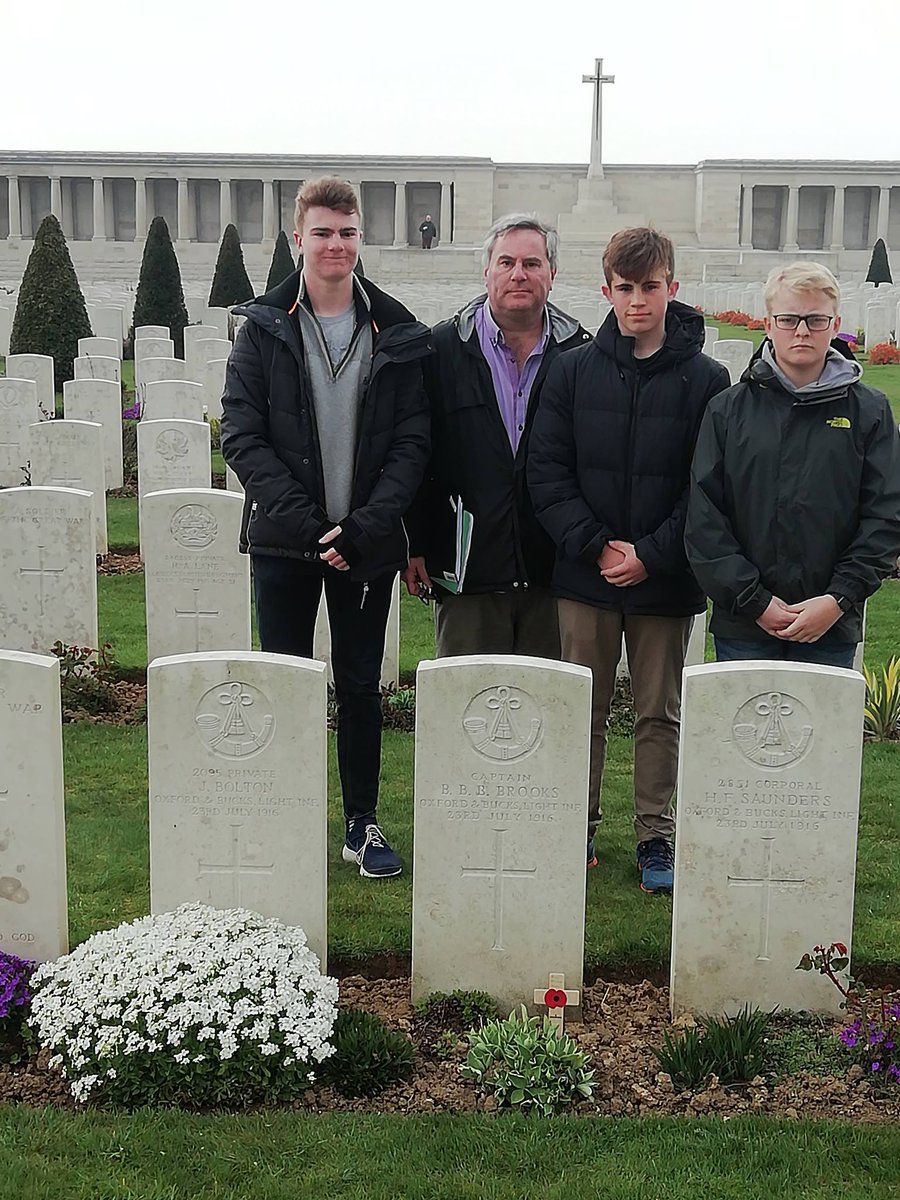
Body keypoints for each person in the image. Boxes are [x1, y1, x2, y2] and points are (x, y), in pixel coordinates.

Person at [220, 177, 430, 879]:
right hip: (287, 542)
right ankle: (281, 817)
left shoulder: (395, 330)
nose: (335, 245)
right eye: (322, 232)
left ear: (358, 239)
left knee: (361, 686)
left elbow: (412, 443)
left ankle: (362, 824)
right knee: (283, 680)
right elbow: (244, 437)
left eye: (347, 232)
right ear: (299, 237)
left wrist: (366, 528)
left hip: (366, 547)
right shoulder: (264, 327)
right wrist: (314, 529)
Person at [528, 227, 729, 889]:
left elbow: (707, 487)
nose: (638, 300)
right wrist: (595, 544)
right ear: (606, 289)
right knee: (580, 708)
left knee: (657, 712)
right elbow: (546, 472)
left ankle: (655, 839)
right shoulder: (570, 368)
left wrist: (650, 554)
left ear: (672, 287)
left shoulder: (707, 380)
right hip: (584, 576)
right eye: (625, 287)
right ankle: (575, 826)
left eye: (650, 286)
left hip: (664, 579)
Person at [686, 261, 900, 668]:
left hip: (830, 624)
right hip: (746, 625)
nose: (801, 331)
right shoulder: (727, 411)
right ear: (769, 324)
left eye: (815, 320)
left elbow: (886, 516)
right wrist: (755, 601)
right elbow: (704, 519)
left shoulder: (869, 412)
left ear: (835, 324)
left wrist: (838, 598)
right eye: (789, 319)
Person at [403, 213, 591, 657]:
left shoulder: (583, 355)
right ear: (486, 271)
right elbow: (418, 453)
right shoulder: (442, 350)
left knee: (546, 713)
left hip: (554, 569)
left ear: (552, 274)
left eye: (532, 263)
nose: (518, 274)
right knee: (467, 709)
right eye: (506, 262)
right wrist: (415, 543)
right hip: (469, 570)